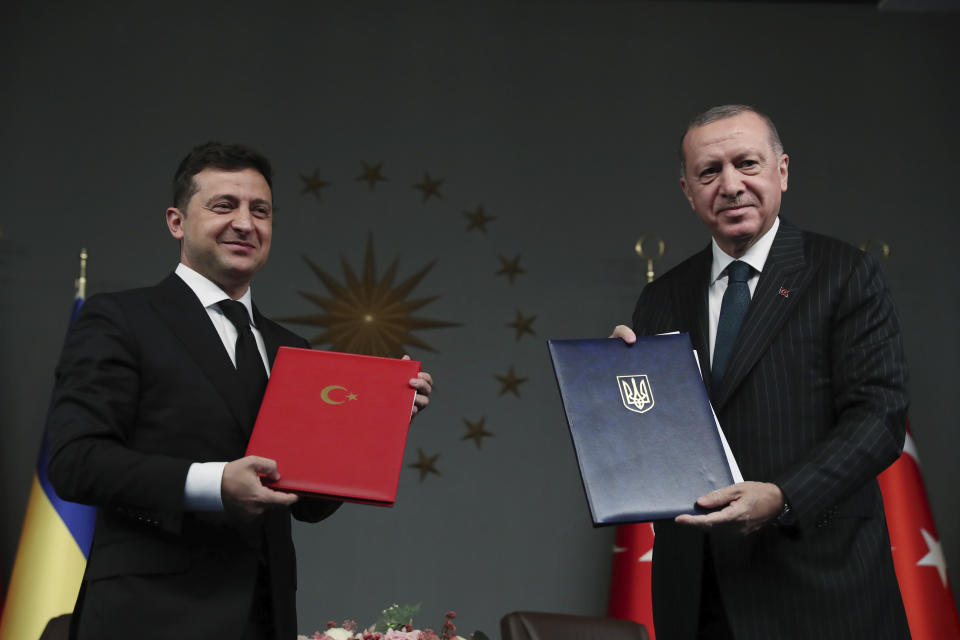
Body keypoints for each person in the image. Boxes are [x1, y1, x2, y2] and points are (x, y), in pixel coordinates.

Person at [46, 142, 434, 640]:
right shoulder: (120, 319)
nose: (246, 223)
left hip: (264, 617)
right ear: (176, 222)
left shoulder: (292, 350)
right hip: (147, 616)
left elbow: (310, 503)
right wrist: (215, 484)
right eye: (224, 205)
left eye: (261, 210)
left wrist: (378, 422)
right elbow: (76, 461)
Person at [611, 105, 909, 639]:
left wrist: (783, 495)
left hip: (820, 585)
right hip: (698, 595)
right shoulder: (660, 298)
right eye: (709, 172)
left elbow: (880, 416)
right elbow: (651, 441)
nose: (730, 185)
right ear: (687, 189)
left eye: (747, 163)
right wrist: (617, 381)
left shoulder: (845, 273)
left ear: (782, 171)